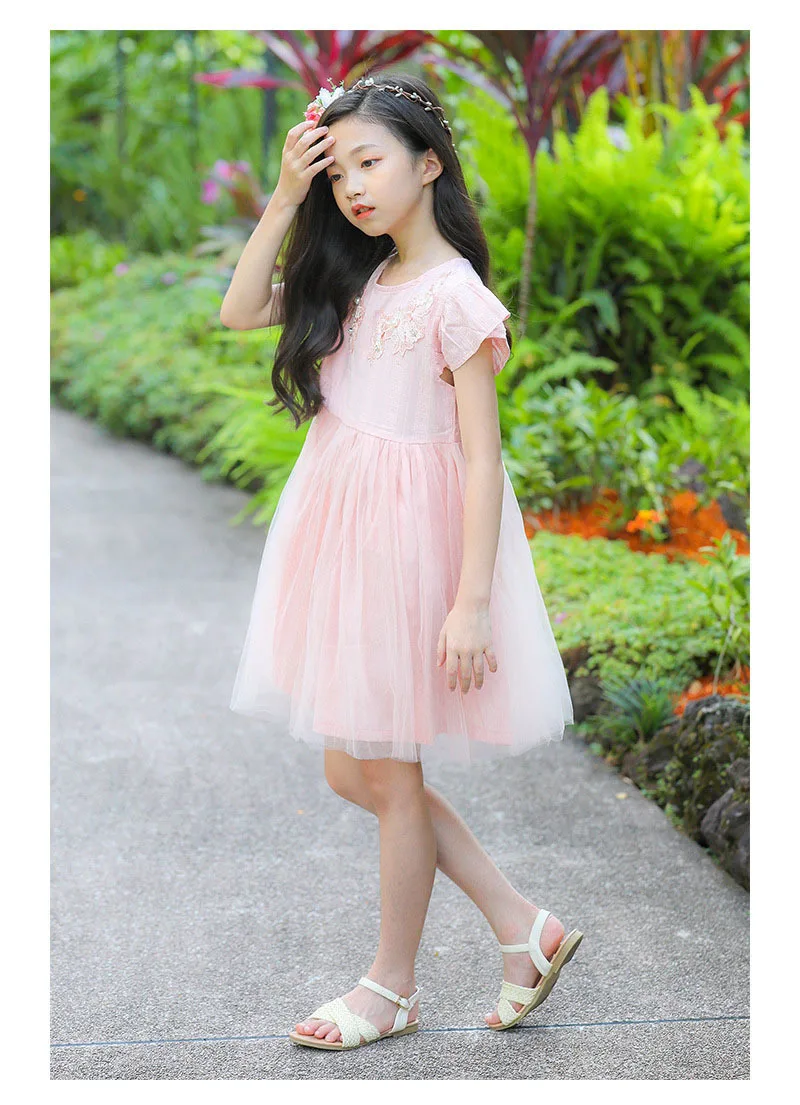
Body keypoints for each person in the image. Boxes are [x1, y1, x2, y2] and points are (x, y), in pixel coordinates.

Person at [221, 71, 582, 1052]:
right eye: (337, 172)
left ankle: (390, 985)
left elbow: (482, 460)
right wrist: (286, 196)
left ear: (428, 166)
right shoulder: (358, 278)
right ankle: (522, 924)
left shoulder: (455, 298)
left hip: (403, 554)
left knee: (386, 770)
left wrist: (470, 601)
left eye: (369, 162)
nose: (352, 187)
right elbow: (241, 310)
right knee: (356, 770)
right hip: (338, 542)